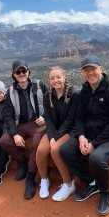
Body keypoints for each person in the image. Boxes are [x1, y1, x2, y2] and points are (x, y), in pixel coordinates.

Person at [59, 55, 109, 216]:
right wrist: (82, 136)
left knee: (96, 158)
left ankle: (105, 193)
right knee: (64, 151)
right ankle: (91, 182)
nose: (90, 73)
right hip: (89, 135)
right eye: (86, 70)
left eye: (93, 69)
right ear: (83, 73)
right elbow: (80, 117)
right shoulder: (85, 91)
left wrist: (94, 144)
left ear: (101, 69)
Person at [0, 60, 48, 200]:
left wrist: (44, 116)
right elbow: (8, 115)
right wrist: (14, 134)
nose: (21, 74)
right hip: (20, 125)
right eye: (18, 72)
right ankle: (22, 162)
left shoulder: (40, 86)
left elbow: (50, 105)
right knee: (4, 141)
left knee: (37, 142)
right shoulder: (10, 92)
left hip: (38, 124)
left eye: (23, 71)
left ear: (28, 72)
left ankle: (30, 177)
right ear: (13, 75)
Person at [36, 66, 78, 201]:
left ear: (64, 78)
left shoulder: (73, 94)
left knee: (55, 149)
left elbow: (70, 119)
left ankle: (68, 184)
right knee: (41, 151)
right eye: (52, 78)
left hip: (69, 130)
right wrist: (52, 135)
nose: (56, 80)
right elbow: (47, 118)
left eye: (58, 77)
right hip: (53, 130)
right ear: (49, 81)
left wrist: (57, 136)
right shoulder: (48, 95)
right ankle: (44, 180)